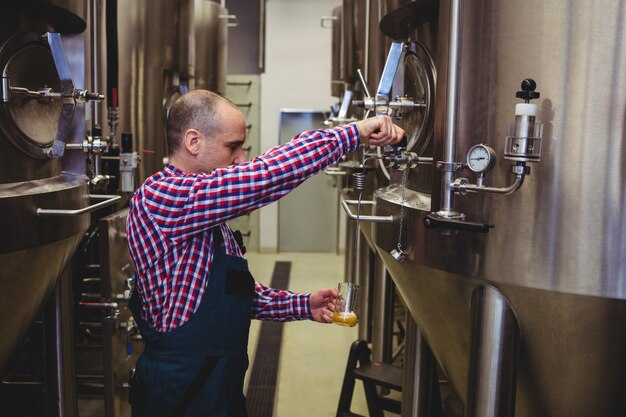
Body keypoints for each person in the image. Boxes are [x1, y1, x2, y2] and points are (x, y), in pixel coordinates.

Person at [125, 89, 404, 417]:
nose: (240, 158)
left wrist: (301, 304)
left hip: (219, 389)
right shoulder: (162, 197)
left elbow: (228, 297)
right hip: (178, 396)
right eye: (233, 146)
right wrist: (353, 132)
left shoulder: (209, 219)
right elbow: (265, 176)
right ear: (193, 141)